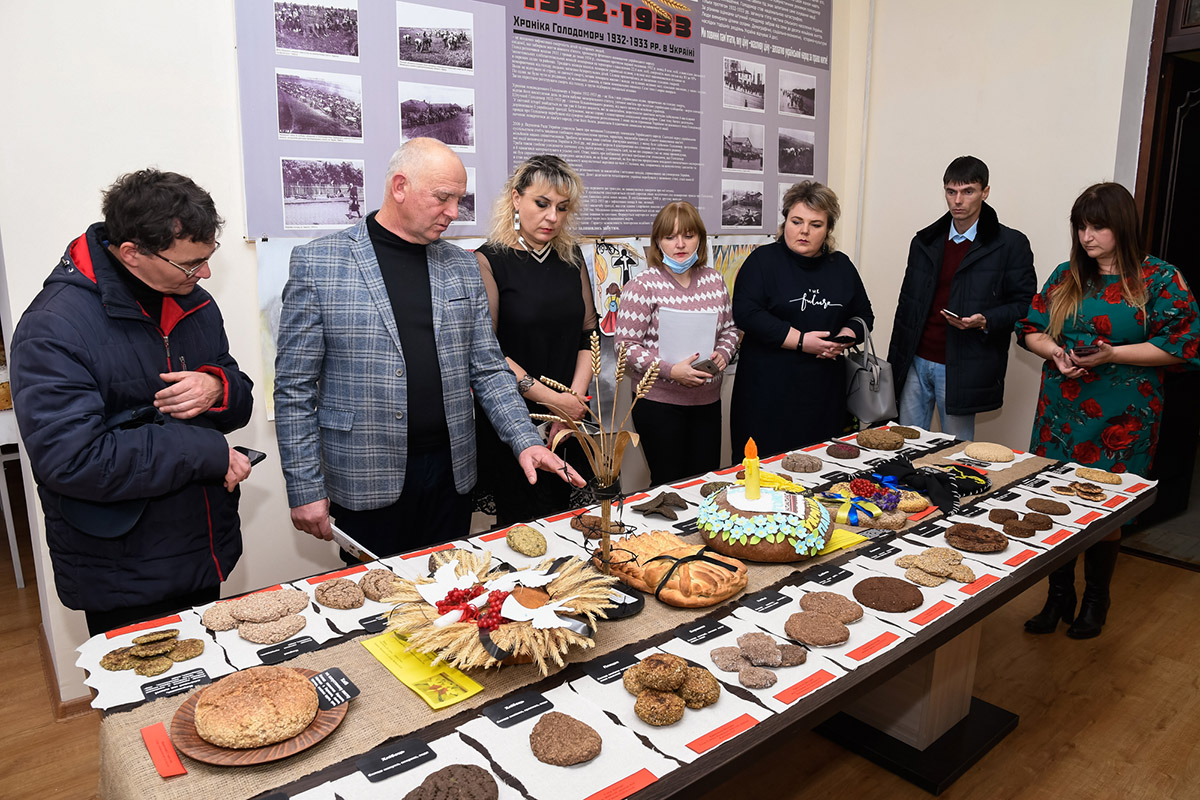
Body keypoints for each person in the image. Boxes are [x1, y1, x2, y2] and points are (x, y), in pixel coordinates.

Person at [275, 138, 581, 561]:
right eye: (443, 198)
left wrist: (525, 441)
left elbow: (489, 369)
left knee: (451, 589)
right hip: (366, 475)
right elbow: (294, 388)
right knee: (378, 596)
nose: (454, 212)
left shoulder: (461, 266)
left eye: (459, 199)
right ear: (400, 186)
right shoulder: (320, 263)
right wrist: (305, 488)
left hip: (451, 477)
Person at [9, 169, 255, 636]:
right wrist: (208, 452)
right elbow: (73, 460)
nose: (204, 274)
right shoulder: (52, 327)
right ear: (131, 254)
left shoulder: (194, 302)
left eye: (208, 258)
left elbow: (238, 399)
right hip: (120, 571)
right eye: (191, 264)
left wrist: (218, 387)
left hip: (200, 548)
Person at [1017, 182, 1200, 639]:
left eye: (1098, 227)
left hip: (1124, 416)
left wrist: (1114, 354)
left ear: (1122, 226)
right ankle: (1058, 595)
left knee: (1107, 508)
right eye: (1081, 227)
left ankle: (1097, 599)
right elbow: (1031, 328)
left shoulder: (1159, 278)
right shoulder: (1067, 275)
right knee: (1057, 502)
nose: (1087, 237)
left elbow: (1181, 345)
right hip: (1062, 411)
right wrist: (1056, 353)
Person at [473, 155, 597, 525]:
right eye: (542, 204)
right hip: (512, 415)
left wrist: (572, 403)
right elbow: (488, 350)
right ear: (516, 198)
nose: (552, 217)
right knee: (521, 529)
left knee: (571, 524)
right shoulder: (489, 260)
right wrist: (553, 400)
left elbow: (589, 334)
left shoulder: (572, 258)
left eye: (562, 207)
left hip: (568, 418)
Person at [887, 156, 1036, 440]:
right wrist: (897, 362)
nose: (958, 201)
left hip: (963, 365)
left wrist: (985, 320)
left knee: (955, 453)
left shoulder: (1010, 244)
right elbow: (906, 306)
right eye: (951, 191)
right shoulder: (924, 241)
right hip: (916, 359)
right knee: (906, 444)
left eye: (968, 191)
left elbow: (1026, 305)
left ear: (985, 192)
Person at [731, 181, 874, 457]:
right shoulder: (762, 261)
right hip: (767, 395)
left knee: (820, 466)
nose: (804, 231)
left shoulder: (841, 266)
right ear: (785, 221)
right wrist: (801, 342)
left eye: (815, 224)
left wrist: (844, 337)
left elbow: (864, 315)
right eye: (796, 221)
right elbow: (747, 314)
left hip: (824, 395)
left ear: (828, 229)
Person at [615, 201, 738, 484]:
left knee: (705, 482)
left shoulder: (715, 281)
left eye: (688, 235)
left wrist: (723, 352)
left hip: (707, 402)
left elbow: (730, 330)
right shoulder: (643, 285)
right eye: (670, 237)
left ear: (700, 239)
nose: (680, 244)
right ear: (658, 242)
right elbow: (625, 346)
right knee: (668, 484)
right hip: (659, 404)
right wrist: (671, 371)